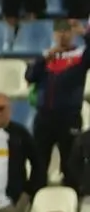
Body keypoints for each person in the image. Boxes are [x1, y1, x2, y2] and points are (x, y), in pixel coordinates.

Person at [26, 19, 89, 192]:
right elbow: (30, 76)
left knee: (71, 164)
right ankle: (36, 202)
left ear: (72, 34)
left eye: (67, 31)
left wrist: (85, 34)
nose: (63, 35)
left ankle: (71, 204)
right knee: (39, 163)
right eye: (59, 31)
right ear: (53, 34)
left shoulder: (80, 56)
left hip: (68, 117)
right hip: (44, 117)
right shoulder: (46, 56)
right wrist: (45, 58)